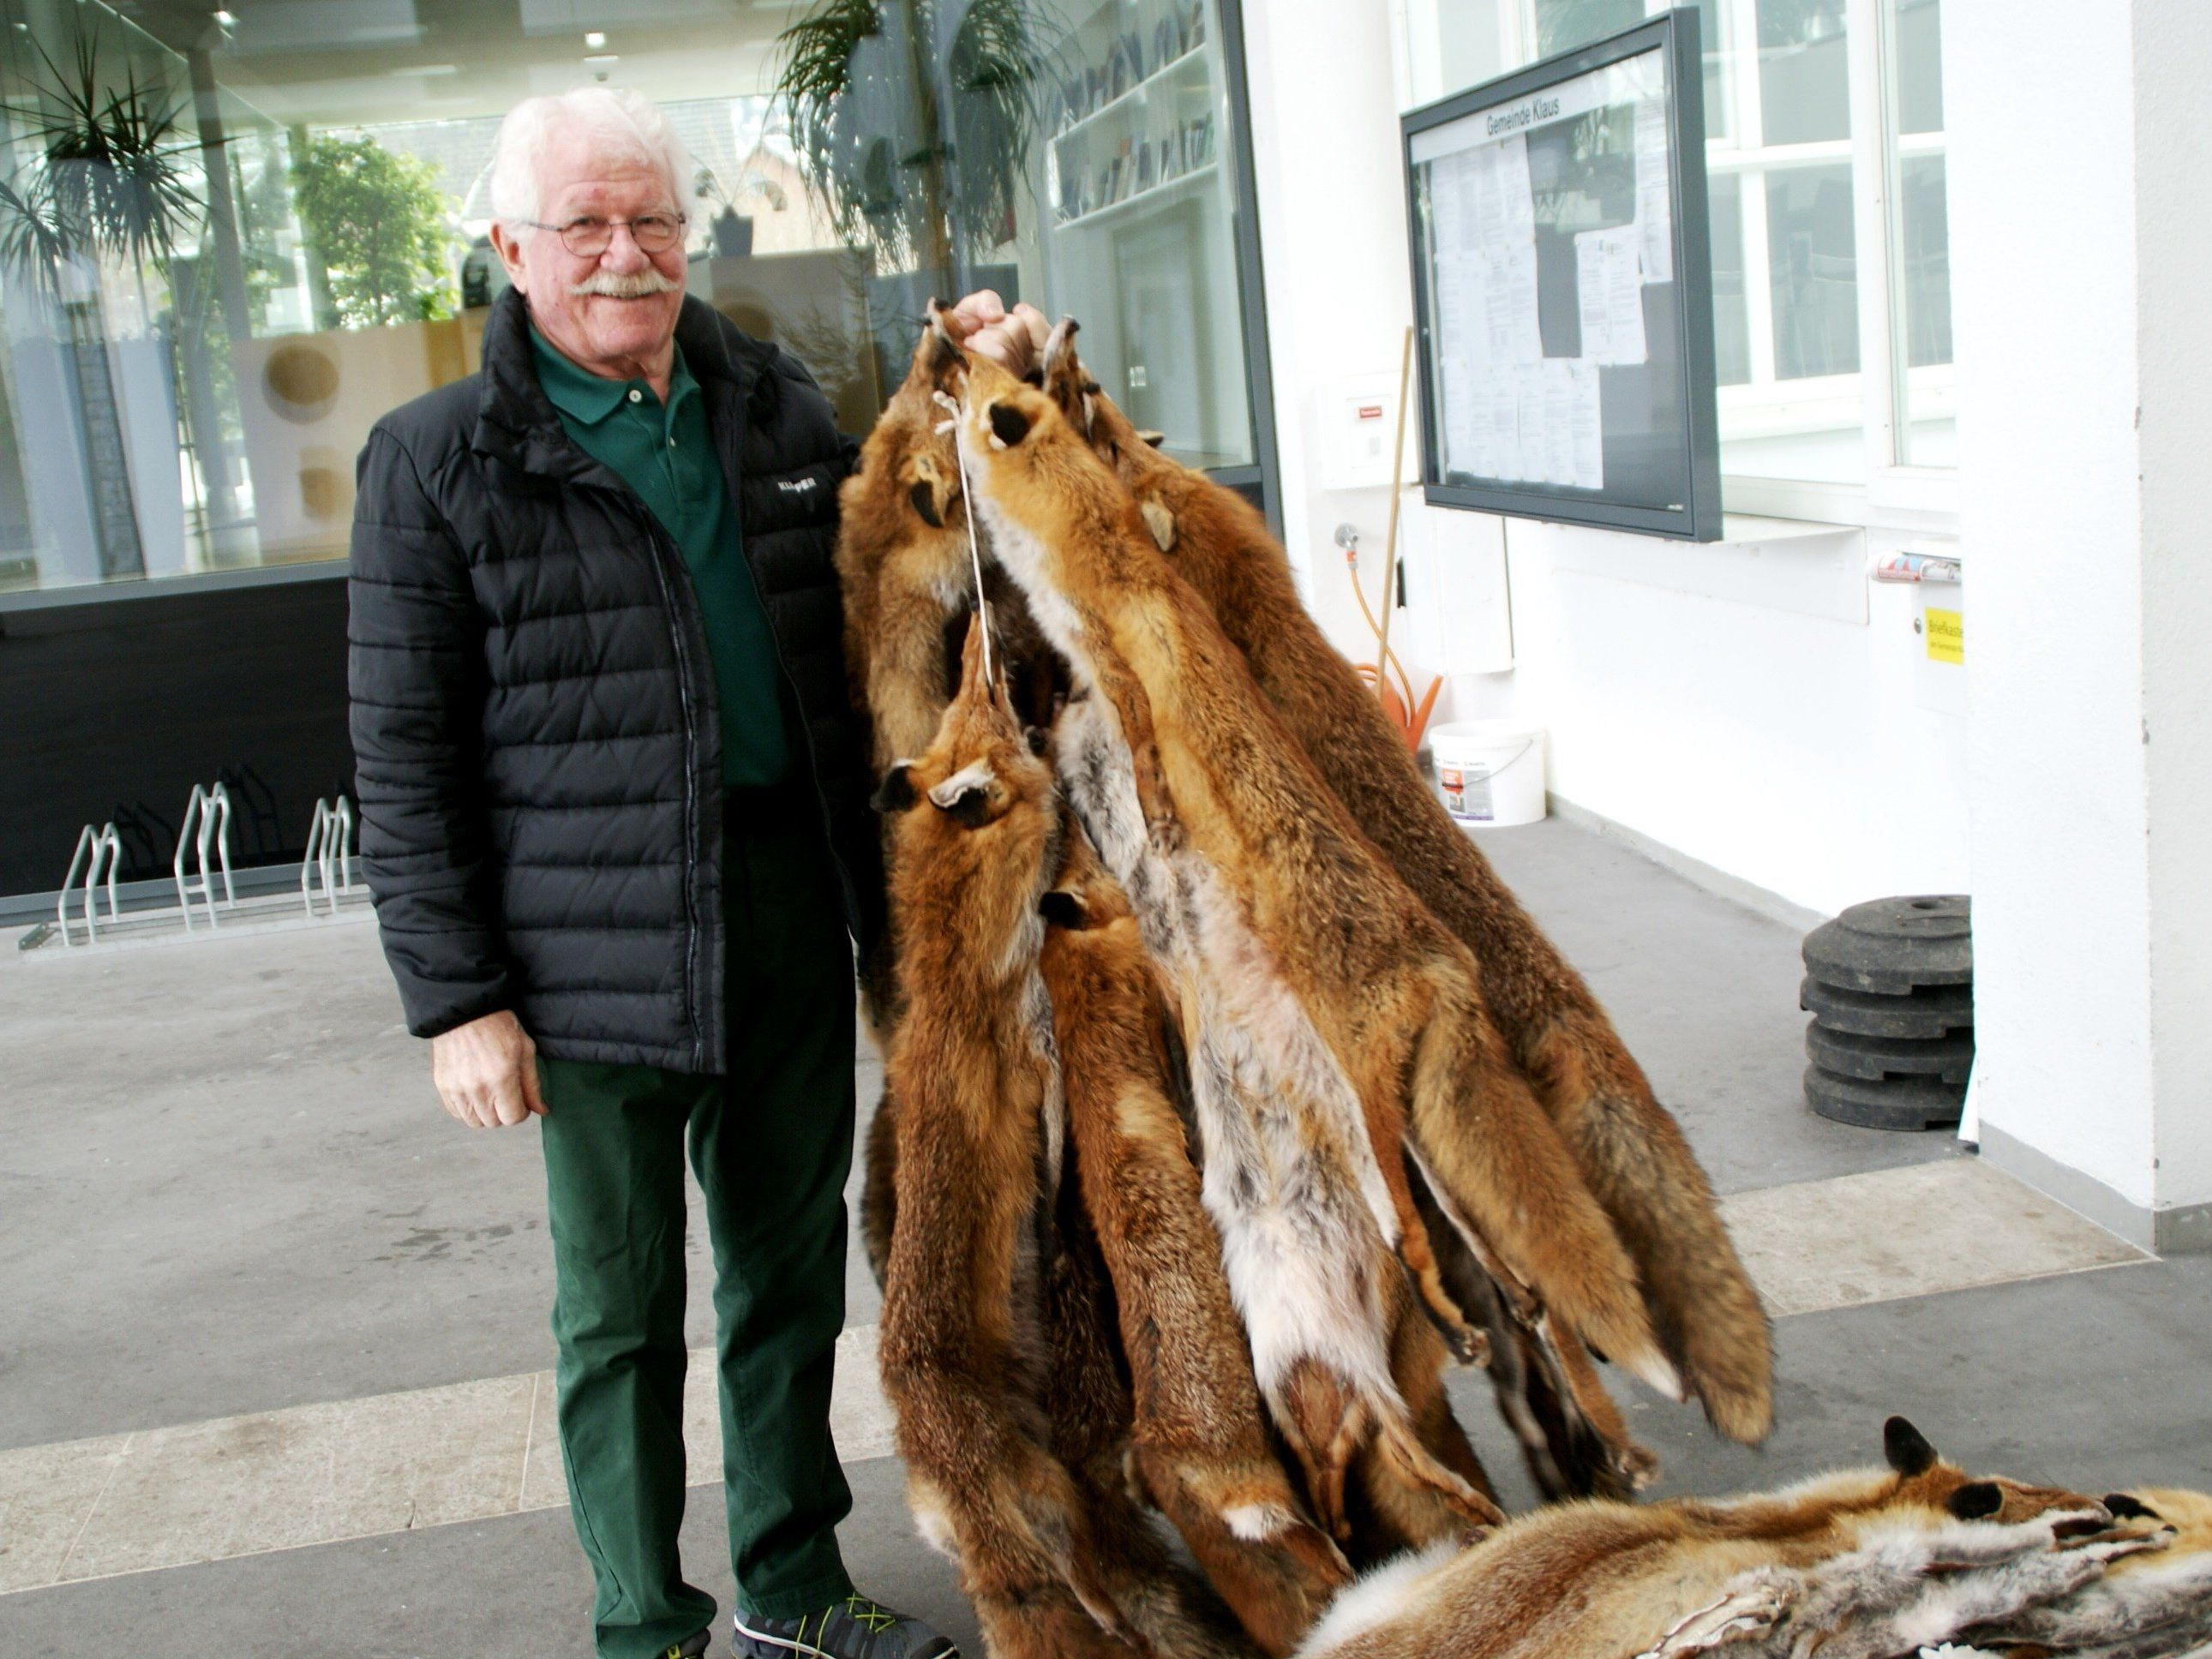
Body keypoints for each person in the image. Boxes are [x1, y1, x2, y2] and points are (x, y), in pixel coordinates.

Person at [347, 86, 1046, 1659]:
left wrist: (981, 384)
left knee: (788, 1276)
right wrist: (458, 1003)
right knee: (616, 1314)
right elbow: (403, 759)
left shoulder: (771, 405)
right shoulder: (437, 460)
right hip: (581, 945)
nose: (624, 251)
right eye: (584, 223)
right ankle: (641, 1623)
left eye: (652, 218)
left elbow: (917, 510)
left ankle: (793, 1586)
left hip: (787, 906)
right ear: (511, 248)